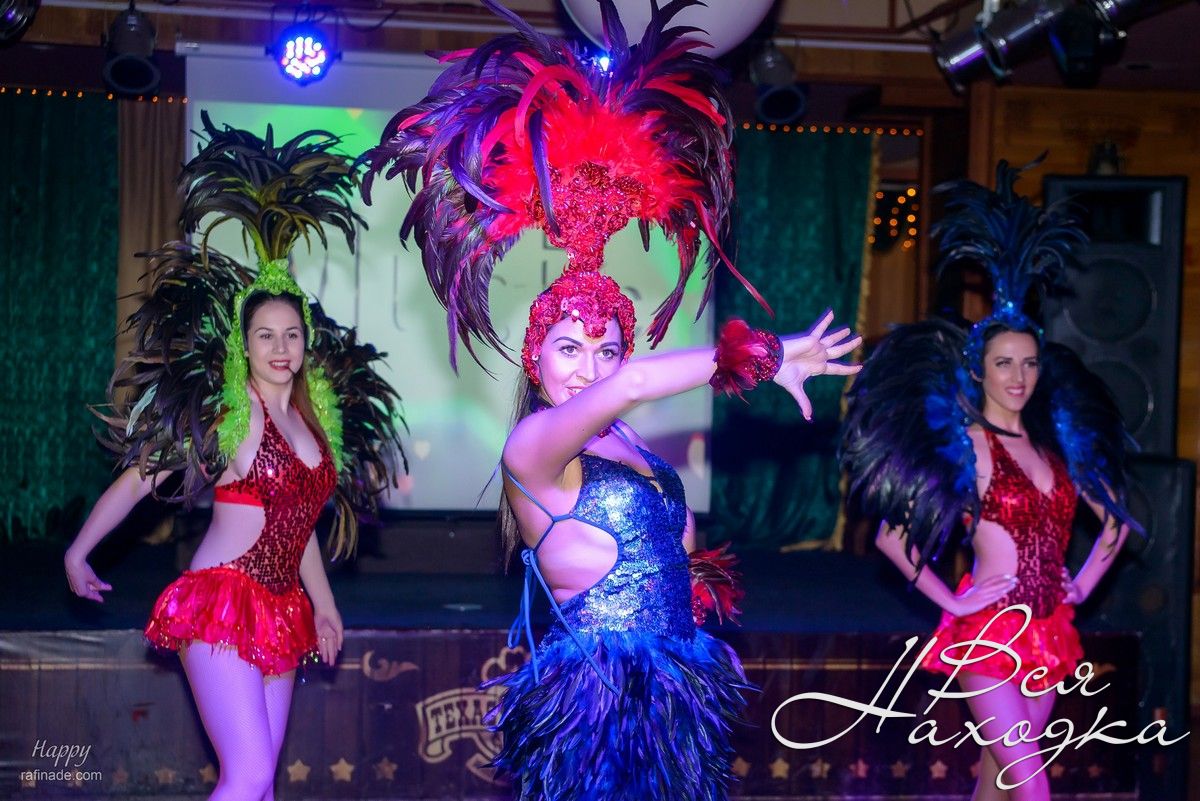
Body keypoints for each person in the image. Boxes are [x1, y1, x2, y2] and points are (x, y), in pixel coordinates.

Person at [360, 2, 861, 796]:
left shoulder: (633, 450)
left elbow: (675, 556)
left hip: (670, 689)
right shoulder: (531, 449)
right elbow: (629, 388)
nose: (591, 368)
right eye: (568, 348)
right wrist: (761, 355)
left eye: (606, 348)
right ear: (535, 361)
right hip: (599, 698)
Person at [64, 116, 405, 801]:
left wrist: (325, 606)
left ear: (305, 343)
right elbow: (138, 481)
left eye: (291, 335)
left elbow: (299, 526)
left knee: (260, 785)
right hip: (220, 601)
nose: (280, 347)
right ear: (243, 346)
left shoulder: (310, 422)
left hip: (282, 610)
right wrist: (79, 552)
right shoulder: (230, 416)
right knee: (247, 777)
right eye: (265, 335)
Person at [841, 160, 1140, 801]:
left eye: (1029, 364)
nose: (1018, 377)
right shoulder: (970, 448)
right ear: (979, 372)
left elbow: (1114, 522)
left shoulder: (1057, 447)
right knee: (1033, 787)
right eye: (1004, 363)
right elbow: (892, 537)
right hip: (988, 632)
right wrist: (953, 604)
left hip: (1050, 629)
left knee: (999, 783)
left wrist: (1083, 584)